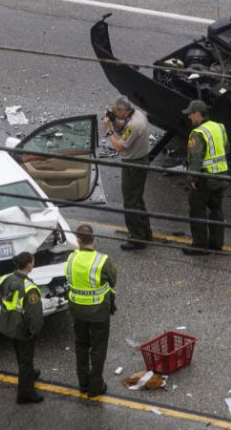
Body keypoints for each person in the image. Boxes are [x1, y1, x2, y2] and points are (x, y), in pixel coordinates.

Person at [65, 224, 117, 397]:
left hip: (77, 310)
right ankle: (96, 386)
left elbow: (68, 278)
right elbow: (112, 280)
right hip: (98, 312)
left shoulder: (71, 258)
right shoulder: (102, 260)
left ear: (78, 240)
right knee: (98, 349)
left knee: (81, 346)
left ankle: (83, 383)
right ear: (93, 238)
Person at [101, 95, 153, 250]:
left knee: (130, 202)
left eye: (116, 112)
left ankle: (137, 239)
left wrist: (109, 130)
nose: (115, 115)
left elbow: (119, 147)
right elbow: (123, 129)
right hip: (141, 160)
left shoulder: (134, 125)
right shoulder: (137, 115)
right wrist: (114, 120)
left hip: (133, 165)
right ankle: (145, 232)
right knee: (137, 199)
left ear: (123, 111)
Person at [180, 100, 230, 256]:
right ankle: (216, 243)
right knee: (216, 209)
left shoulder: (198, 133)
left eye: (190, 114)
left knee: (197, 209)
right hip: (221, 175)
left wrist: (192, 179)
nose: (189, 117)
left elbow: (196, 159)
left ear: (197, 114)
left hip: (205, 178)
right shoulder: (219, 127)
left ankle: (200, 245)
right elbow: (227, 148)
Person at [0, 251, 45, 404]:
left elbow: (2, 300)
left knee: (20, 353)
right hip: (22, 329)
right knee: (26, 360)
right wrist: (35, 331)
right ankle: (26, 393)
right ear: (29, 265)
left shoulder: (6, 279)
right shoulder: (30, 288)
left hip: (9, 324)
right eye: (33, 260)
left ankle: (29, 373)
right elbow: (34, 316)